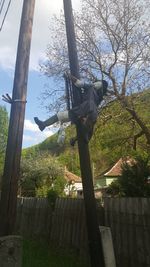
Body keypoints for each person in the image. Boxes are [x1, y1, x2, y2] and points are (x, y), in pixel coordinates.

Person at [34, 75, 108, 143]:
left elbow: (79, 84)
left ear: (100, 84)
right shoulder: (99, 97)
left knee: (61, 115)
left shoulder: (91, 87)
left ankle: (43, 124)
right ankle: (76, 139)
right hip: (93, 114)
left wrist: (69, 76)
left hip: (83, 109)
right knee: (85, 129)